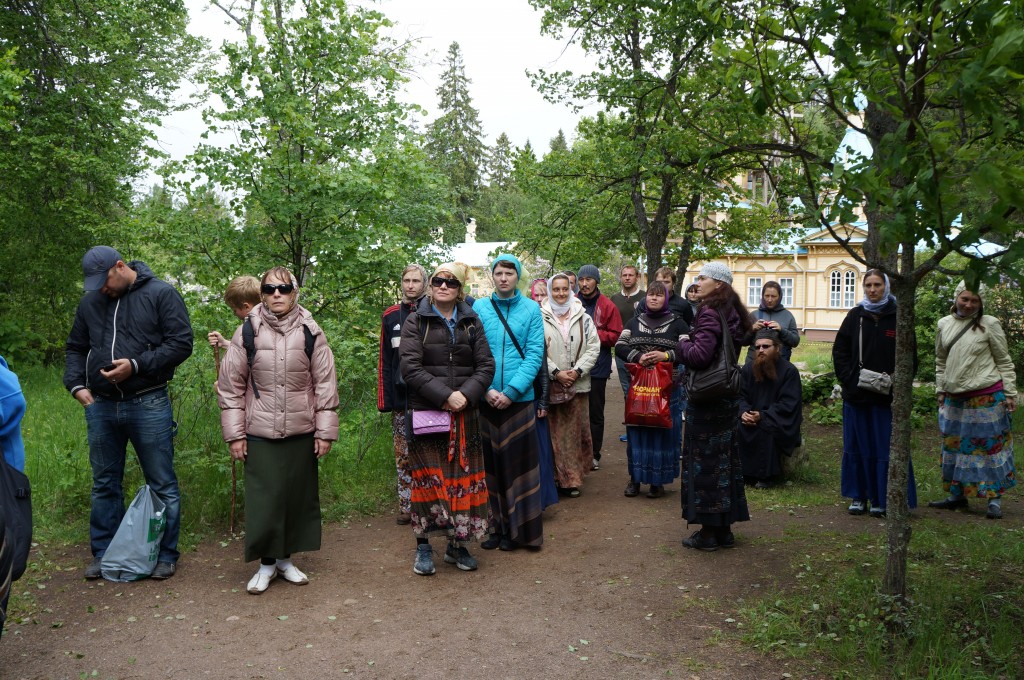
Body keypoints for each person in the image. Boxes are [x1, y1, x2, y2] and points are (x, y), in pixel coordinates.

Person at [64, 246, 193, 580]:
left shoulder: (161, 294)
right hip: (101, 406)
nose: (100, 289)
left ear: (120, 267)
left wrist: (135, 366)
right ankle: (105, 553)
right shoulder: (91, 302)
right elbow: (76, 347)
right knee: (104, 483)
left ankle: (165, 555)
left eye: (104, 280)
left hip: (148, 402)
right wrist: (77, 386)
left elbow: (181, 343)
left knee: (161, 483)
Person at [217, 267, 339, 594]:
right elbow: (230, 387)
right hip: (259, 430)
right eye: (270, 289)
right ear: (262, 293)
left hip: (301, 429)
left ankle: (285, 561)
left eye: (283, 288)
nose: (276, 295)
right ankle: (266, 565)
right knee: (265, 499)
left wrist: (324, 431)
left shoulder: (312, 331)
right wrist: (236, 435)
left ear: (294, 292)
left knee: (295, 498)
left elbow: (325, 383)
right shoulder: (247, 332)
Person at [400, 263, 495, 575]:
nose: (443, 286)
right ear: (431, 286)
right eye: (438, 281)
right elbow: (410, 368)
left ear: (459, 289)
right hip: (428, 413)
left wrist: (465, 395)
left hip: (465, 415)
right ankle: (424, 547)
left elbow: (486, 365)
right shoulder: (417, 321)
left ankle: (458, 545)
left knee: (461, 484)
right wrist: (445, 395)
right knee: (428, 482)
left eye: (450, 283)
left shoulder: (471, 320)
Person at [675, 262, 752, 551]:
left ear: (719, 284)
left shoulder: (708, 312)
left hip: (707, 399)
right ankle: (724, 531)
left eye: (703, 277)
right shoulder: (732, 311)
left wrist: (681, 343)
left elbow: (700, 355)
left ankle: (708, 534)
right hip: (727, 397)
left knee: (704, 465)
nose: (698, 281)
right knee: (724, 463)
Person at [832, 269, 917, 518]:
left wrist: (896, 383)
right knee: (857, 445)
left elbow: (910, 356)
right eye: (868, 285)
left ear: (886, 286)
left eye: (877, 284)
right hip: (857, 396)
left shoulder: (898, 315)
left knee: (884, 448)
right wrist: (850, 381)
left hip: (886, 398)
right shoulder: (855, 315)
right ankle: (859, 496)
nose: (872, 289)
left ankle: (884, 498)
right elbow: (840, 352)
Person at [474, 254, 546, 550]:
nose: (503, 278)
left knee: (519, 468)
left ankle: (523, 533)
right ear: (492, 276)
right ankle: (496, 529)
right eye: (499, 273)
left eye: (509, 273)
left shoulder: (531, 309)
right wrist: (487, 389)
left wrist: (512, 391)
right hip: (487, 399)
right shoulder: (478, 308)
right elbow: (473, 352)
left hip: (518, 402)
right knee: (490, 468)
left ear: (518, 277)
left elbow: (534, 355)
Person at [929, 282, 1017, 519]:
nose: (968, 305)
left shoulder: (990, 324)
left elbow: (1004, 361)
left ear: (981, 303)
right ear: (957, 297)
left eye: (974, 301)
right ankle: (957, 497)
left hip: (986, 397)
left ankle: (994, 499)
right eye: (965, 299)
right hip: (954, 399)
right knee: (955, 448)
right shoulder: (944, 325)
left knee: (989, 448)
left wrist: (1010, 394)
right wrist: (941, 389)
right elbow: (940, 361)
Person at [615, 281, 689, 498]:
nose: (654, 298)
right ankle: (635, 479)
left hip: (668, 390)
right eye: (650, 295)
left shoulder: (679, 324)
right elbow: (619, 345)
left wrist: (665, 356)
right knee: (638, 431)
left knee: (663, 432)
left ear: (666, 298)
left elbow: (688, 350)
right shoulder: (633, 322)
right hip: (639, 388)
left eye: (659, 295)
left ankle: (658, 482)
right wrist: (638, 357)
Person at [377, 264, 428, 525]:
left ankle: (428, 503)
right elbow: (385, 359)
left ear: (425, 284)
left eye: (416, 280)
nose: (410, 285)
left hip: (429, 397)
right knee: (403, 454)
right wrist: (385, 400)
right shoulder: (390, 315)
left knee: (428, 449)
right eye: (406, 280)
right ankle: (407, 504)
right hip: (401, 398)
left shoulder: (433, 311)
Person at [540, 273, 600, 497]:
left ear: (571, 290)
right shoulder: (540, 316)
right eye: (556, 289)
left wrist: (576, 372)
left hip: (578, 385)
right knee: (554, 434)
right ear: (549, 291)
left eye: (565, 289)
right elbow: (535, 349)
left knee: (574, 434)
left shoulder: (583, 316)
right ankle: (556, 478)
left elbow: (594, 347)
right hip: (552, 384)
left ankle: (572, 479)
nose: (561, 293)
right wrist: (555, 372)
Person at [738, 329, 803, 488]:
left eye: (766, 346)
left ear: (777, 349)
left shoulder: (789, 371)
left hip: (778, 418)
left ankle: (765, 476)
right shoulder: (747, 369)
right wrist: (743, 412)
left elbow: (789, 404)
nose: (760, 350)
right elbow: (740, 396)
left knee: (766, 428)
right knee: (738, 426)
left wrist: (763, 415)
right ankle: (743, 474)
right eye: (757, 347)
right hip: (751, 416)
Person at [576, 264, 623, 470]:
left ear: (596, 281)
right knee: (574, 411)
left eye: (589, 279)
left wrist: (592, 335)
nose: (584, 284)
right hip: (572, 367)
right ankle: (576, 453)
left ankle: (594, 454)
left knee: (595, 412)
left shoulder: (608, 305)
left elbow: (616, 335)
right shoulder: (571, 302)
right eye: (581, 280)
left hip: (598, 367)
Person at [529, 279, 560, 509]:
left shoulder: (538, 319)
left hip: (534, 394)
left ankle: (539, 500)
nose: (539, 299)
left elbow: (540, 364)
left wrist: (544, 399)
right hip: (512, 396)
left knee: (538, 451)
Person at [611, 265, 646, 398]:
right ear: (621, 277)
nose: (627, 278)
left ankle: (641, 418)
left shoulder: (645, 297)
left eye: (630, 275)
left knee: (642, 388)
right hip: (621, 350)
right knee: (627, 389)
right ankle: (630, 417)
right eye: (624, 275)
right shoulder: (614, 298)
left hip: (641, 350)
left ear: (637, 277)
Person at [745, 281, 800, 362]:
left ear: (780, 297)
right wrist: (752, 329)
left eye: (773, 296)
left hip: (779, 365)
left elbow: (795, 342)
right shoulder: (753, 315)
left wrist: (781, 330)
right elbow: (742, 341)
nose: (769, 299)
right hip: (753, 364)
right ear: (762, 296)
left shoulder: (787, 316)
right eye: (767, 296)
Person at [207, 276, 261, 350]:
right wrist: (224, 343)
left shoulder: (263, 328)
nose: (234, 314)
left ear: (246, 307)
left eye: (234, 310)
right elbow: (248, 351)